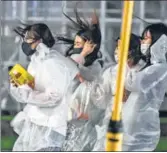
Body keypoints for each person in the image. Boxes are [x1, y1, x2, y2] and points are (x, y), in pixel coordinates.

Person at [9, 23, 80, 151]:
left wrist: (27, 93)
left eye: (28, 38)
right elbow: (29, 93)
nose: (25, 42)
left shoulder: (53, 63)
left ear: (40, 41)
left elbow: (53, 97)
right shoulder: (36, 62)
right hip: (37, 126)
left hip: (49, 130)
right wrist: (18, 87)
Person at [55, 7, 103, 151]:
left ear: (90, 46)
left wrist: (83, 53)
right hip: (64, 117)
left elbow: (85, 77)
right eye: (75, 44)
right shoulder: (73, 60)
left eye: (78, 44)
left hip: (82, 122)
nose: (75, 47)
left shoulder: (95, 66)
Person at [122, 23, 167, 151]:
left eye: (146, 38)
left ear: (159, 42)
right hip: (130, 130)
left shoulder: (160, 69)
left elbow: (134, 84)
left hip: (142, 132)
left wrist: (129, 67)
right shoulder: (147, 67)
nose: (142, 42)